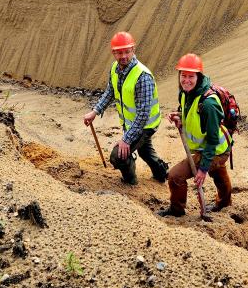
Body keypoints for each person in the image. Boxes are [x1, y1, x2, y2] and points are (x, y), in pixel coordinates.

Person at [83, 31, 169, 184]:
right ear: (113, 53)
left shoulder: (143, 76)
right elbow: (110, 91)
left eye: (126, 52)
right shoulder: (115, 68)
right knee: (144, 150)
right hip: (132, 123)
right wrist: (95, 111)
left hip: (146, 124)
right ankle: (162, 173)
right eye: (119, 52)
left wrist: (126, 140)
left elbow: (143, 115)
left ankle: (130, 181)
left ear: (133, 50)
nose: (123, 56)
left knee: (119, 155)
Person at [157, 54, 232, 217]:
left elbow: (212, 140)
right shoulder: (185, 93)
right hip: (210, 147)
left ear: (199, 76)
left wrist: (203, 169)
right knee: (218, 173)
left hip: (216, 150)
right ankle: (225, 204)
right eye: (183, 75)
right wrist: (179, 116)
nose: (186, 80)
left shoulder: (208, 104)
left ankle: (176, 210)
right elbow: (190, 114)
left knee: (175, 176)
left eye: (191, 76)